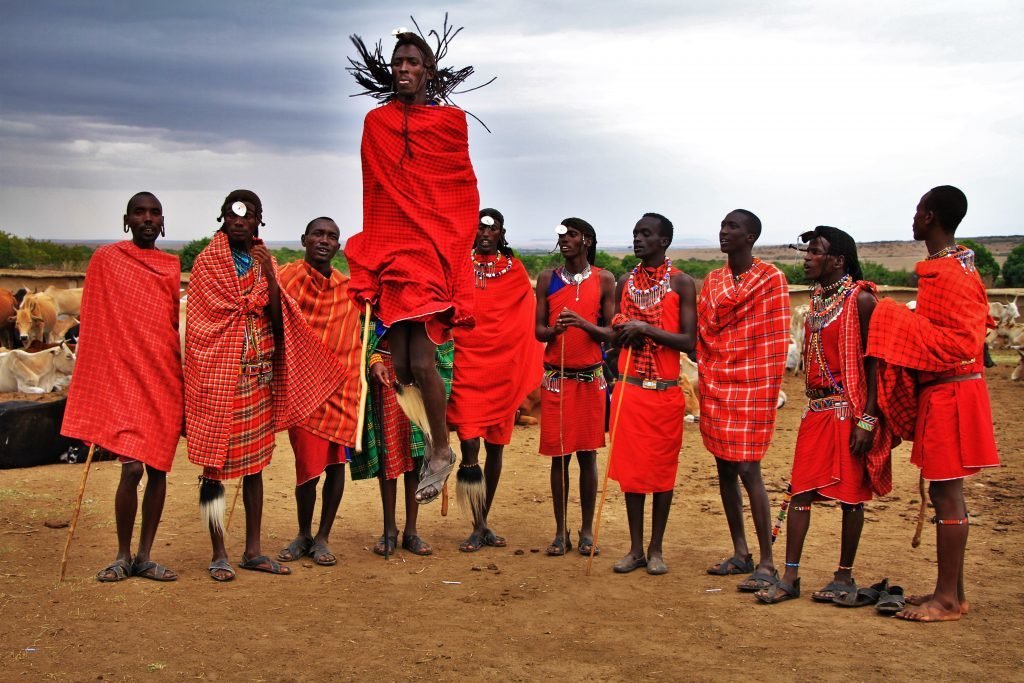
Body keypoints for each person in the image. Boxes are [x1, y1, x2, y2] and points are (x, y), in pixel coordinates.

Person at [345, 28, 481, 506]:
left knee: (422, 360)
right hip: (390, 245)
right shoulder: (376, 122)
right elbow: (373, 190)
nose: (403, 68)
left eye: (412, 62)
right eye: (397, 62)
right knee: (400, 364)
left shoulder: (450, 122)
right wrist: (378, 249)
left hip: (431, 248)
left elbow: (460, 189)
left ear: (428, 70)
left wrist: (450, 249)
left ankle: (442, 451)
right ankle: (432, 444)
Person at [185, 190, 344, 582]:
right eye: (233, 214)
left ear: (259, 221)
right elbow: (201, 325)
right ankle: (218, 552)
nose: (240, 221)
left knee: (254, 468)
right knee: (214, 471)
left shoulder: (265, 263)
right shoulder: (207, 264)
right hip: (217, 377)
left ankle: (252, 550)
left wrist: (269, 276)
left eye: (249, 215)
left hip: (256, 379)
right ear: (222, 218)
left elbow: (278, 318)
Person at [866, 186, 999, 621]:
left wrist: (892, 316)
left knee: (947, 491)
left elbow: (963, 341)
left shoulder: (952, 275)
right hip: (947, 390)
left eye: (919, 210)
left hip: (955, 391)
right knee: (946, 489)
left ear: (931, 217)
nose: (914, 216)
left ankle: (947, 601)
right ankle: (952, 594)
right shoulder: (949, 268)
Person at [755, 226, 894, 604]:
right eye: (807, 251)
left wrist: (867, 419)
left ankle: (843, 577)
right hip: (816, 411)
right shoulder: (818, 300)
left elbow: (874, 365)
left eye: (815, 252)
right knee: (800, 492)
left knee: (851, 498)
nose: (807, 257)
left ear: (838, 260)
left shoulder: (861, 301)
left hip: (848, 412)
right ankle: (790, 577)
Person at [62, 191, 183, 582]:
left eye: (154, 213)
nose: (147, 218)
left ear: (162, 221)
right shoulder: (107, 260)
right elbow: (96, 319)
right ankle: (121, 554)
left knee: (158, 470)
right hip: (125, 378)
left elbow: (170, 325)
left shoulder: (170, 266)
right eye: (140, 212)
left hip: (163, 377)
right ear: (127, 219)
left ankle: (145, 556)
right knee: (131, 469)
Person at [698, 209, 790, 592]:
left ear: (750, 236)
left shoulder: (771, 279)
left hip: (752, 385)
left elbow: (774, 338)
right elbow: (704, 329)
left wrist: (754, 376)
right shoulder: (714, 279)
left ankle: (767, 561)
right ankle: (741, 552)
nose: (724, 232)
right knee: (724, 469)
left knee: (749, 470)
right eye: (721, 226)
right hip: (716, 382)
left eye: (732, 227)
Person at [447, 209, 543, 552]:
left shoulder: (514, 270)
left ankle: (482, 522)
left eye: (493, 228)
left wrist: (518, 358)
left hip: (502, 370)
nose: (486, 232)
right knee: (469, 446)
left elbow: (525, 316)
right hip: (466, 366)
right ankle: (477, 523)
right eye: (480, 227)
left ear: (502, 233)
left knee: (496, 447)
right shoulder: (458, 265)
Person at [607, 213, 696, 575]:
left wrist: (646, 327)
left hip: (664, 393)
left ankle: (656, 548)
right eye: (635, 234)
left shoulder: (682, 284)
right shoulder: (625, 283)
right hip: (629, 391)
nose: (638, 239)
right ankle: (635, 549)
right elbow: (614, 332)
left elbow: (689, 341)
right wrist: (621, 327)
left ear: (664, 242)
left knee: (661, 472)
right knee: (632, 473)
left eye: (646, 234)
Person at [276, 217, 363, 567]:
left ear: (338, 246)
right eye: (317, 234)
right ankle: (303, 533)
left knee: (336, 466)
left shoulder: (348, 289)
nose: (324, 240)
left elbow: (357, 335)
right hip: (303, 389)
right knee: (307, 467)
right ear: (304, 240)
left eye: (331, 236)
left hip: (342, 389)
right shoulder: (285, 280)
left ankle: (324, 536)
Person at [534, 218, 615, 556]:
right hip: (557, 379)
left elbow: (612, 332)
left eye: (572, 235)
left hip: (590, 379)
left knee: (587, 456)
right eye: (561, 235)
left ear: (587, 241)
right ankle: (559, 531)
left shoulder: (605, 279)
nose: (565, 240)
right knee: (559, 457)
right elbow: (538, 331)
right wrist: (554, 331)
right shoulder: (547, 279)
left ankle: (585, 531)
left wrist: (582, 323)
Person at [350, 323, 454, 557]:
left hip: (421, 376)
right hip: (385, 369)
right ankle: (389, 529)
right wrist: (374, 359)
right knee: (390, 451)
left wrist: (429, 372)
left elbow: (442, 333)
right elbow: (363, 324)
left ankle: (412, 531)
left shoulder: (426, 293)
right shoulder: (380, 288)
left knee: (416, 452)